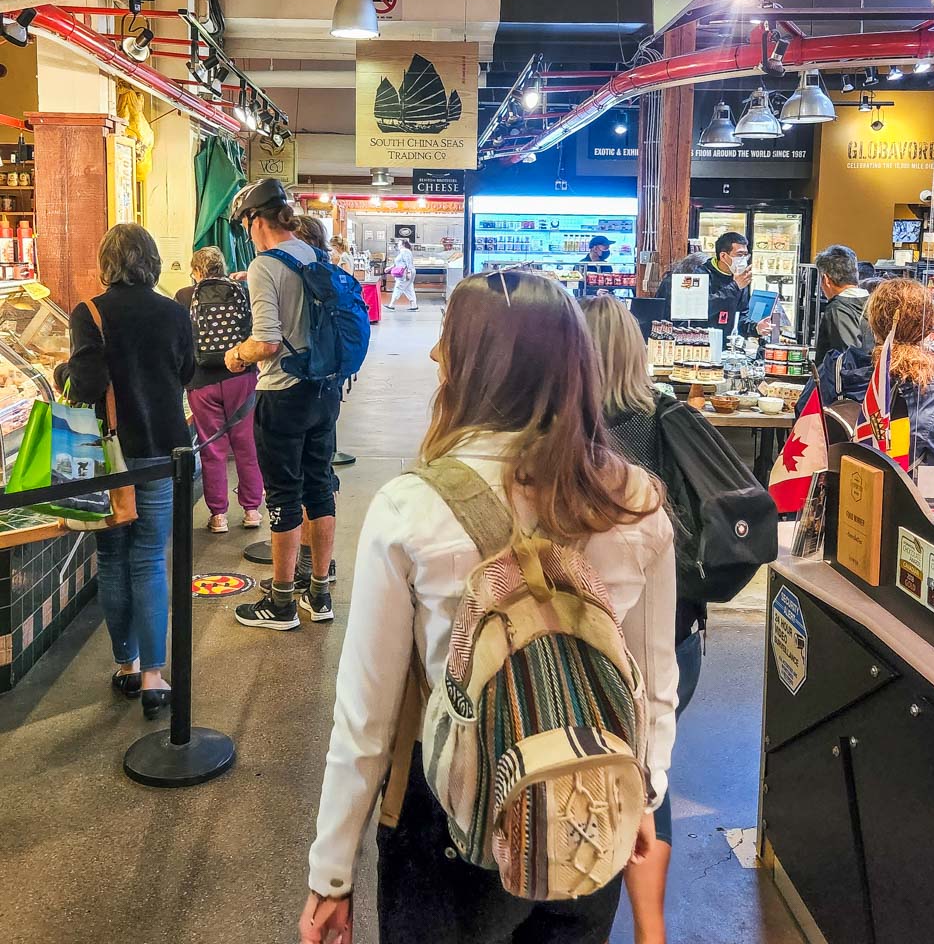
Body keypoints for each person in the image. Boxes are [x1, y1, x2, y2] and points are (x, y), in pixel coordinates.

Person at [299, 271, 678, 944]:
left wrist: (332, 870)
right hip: (591, 811)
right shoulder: (637, 501)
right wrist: (643, 792)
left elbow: (367, 719)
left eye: (446, 342)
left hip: (453, 819)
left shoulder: (412, 507)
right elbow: (651, 681)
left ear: (476, 364)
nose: (433, 356)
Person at [583, 294, 704, 944]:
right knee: (656, 765)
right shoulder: (665, 417)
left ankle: (583, 886)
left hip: (593, 636)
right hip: (677, 625)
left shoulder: (562, 430)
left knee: (587, 763)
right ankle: (651, 926)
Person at [55, 225, 194, 719]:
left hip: (107, 459)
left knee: (112, 558)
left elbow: (87, 383)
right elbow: (187, 374)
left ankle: (127, 666)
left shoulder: (89, 312)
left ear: (106, 262)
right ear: (152, 261)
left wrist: (63, 372)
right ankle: (157, 676)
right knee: (151, 559)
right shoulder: (176, 312)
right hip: (162, 451)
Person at [227, 179, 340, 630]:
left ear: (256, 221)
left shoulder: (264, 266)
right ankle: (319, 593)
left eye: (246, 225)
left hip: (283, 395)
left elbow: (268, 342)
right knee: (320, 487)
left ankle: (281, 603)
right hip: (324, 390)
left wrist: (236, 354)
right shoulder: (316, 256)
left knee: (283, 496)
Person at [798, 278, 934, 469]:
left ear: (872, 321)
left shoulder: (835, 368)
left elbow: (802, 425)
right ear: (927, 328)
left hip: (836, 490)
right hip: (898, 497)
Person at [175, 246, 263, 533]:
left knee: (212, 450)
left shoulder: (185, 296)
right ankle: (251, 510)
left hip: (201, 382)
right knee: (246, 445)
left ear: (197, 270)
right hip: (240, 376)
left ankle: (218, 516)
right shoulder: (242, 291)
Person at [660, 232, 772, 343]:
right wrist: (734, 287)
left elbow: (741, 318)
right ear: (723, 256)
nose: (743, 259)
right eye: (739, 255)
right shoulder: (698, 274)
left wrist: (756, 328)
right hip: (698, 343)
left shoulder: (740, 279)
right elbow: (698, 310)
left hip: (725, 347)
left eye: (745, 255)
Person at [813, 244, 875, 366]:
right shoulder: (874, 303)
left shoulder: (837, 309)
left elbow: (847, 357)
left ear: (826, 279)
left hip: (846, 383)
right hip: (873, 381)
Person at [386, 239, 417, 310]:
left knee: (398, 287)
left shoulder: (405, 252)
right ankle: (414, 305)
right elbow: (399, 263)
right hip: (406, 272)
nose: (398, 245)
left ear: (403, 245)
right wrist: (390, 268)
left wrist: (408, 272)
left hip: (405, 273)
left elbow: (408, 262)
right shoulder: (403, 252)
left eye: (399, 243)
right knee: (408, 288)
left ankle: (391, 305)